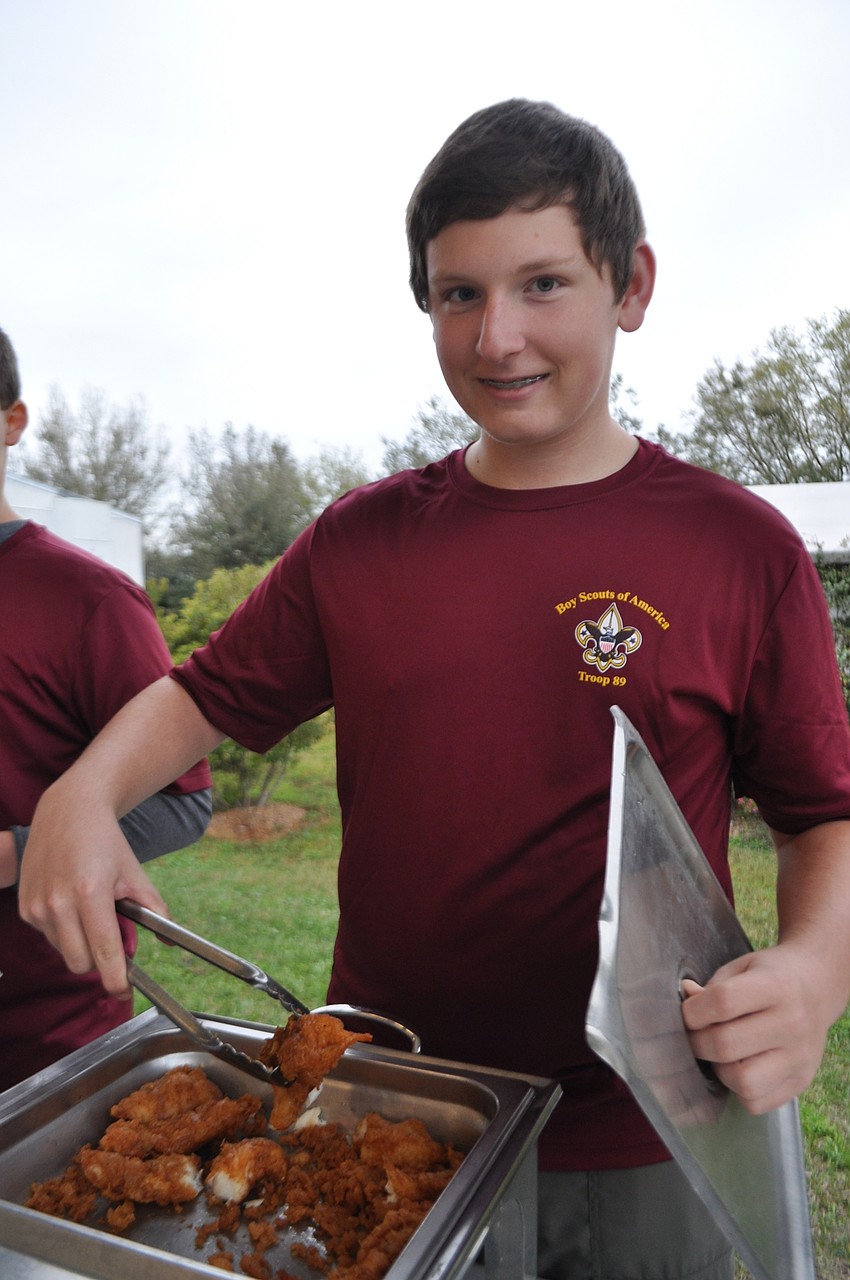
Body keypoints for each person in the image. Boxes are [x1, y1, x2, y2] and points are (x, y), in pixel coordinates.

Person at [19, 101, 850, 1279]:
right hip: (399, 1114)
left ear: (633, 284)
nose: (497, 337)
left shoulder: (738, 549)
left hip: (647, 1130)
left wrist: (816, 970)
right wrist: (83, 794)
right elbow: (200, 697)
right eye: (458, 294)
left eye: (543, 284)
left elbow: (821, 814)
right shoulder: (359, 543)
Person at [0, 327, 213, 1091]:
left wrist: (14, 853)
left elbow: (185, 805)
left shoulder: (87, 600)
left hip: (47, 1037)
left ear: (12, 422)